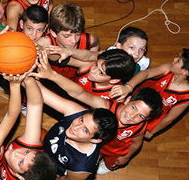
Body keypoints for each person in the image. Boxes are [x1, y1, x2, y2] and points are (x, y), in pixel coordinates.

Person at [32, 51, 162, 173]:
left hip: (114, 151)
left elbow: (136, 143)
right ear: (127, 100)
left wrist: (127, 156)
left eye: (140, 115)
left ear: (145, 119)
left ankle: (106, 165)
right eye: (134, 108)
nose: (131, 116)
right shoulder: (106, 106)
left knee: (110, 164)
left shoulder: (140, 127)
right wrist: (52, 75)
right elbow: (79, 92)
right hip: (94, 143)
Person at [31, 80, 117, 180]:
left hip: (54, 169)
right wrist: (25, 76)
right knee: (36, 131)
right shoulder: (76, 112)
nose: (75, 127)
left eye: (85, 130)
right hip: (47, 145)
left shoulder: (82, 166)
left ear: (96, 140)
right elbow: (41, 92)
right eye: (81, 120)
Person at [109, 48, 189, 140]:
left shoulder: (186, 98)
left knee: (127, 131)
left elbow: (169, 119)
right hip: (136, 98)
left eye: (179, 60)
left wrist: (152, 132)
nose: (175, 58)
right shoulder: (168, 68)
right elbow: (146, 73)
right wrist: (129, 86)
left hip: (147, 114)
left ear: (185, 72)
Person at [0, 76, 57, 180]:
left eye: (20, 162)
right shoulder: (29, 143)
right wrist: (28, 78)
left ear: (21, 178)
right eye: (26, 152)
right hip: (11, 178)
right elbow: (35, 105)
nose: (16, 153)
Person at [37, 3, 100, 79]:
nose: (74, 41)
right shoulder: (45, 43)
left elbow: (95, 45)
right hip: (51, 83)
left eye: (77, 34)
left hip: (78, 81)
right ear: (53, 33)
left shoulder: (90, 39)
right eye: (67, 36)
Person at [71, 49, 136, 99]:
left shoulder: (114, 95)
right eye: (96, 64)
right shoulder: (88, 65)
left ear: (114, 80)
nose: (93, 71)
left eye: (101, 73)